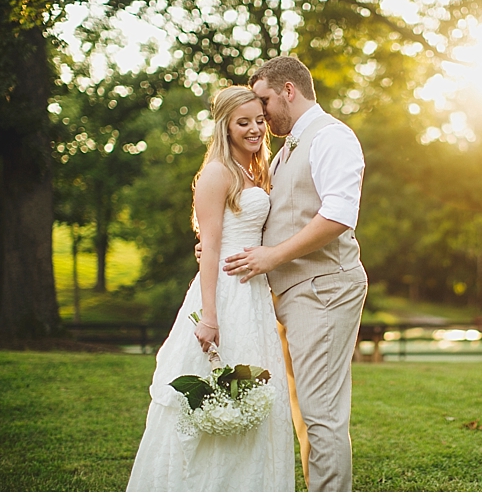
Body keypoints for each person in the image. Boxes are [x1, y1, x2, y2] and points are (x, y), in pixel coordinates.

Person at [199, 56, 368, 491]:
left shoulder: (331, 137)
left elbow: (337, 216)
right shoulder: (283, 151)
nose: (261, 113)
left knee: (321, 413)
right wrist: (221, 249)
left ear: (288, 91)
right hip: (287, 296)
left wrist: (270, 258)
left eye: (265, 100)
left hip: (324, 290)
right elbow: (271, 216)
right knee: (301, 412)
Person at [127, 86, 294, 492]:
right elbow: (212, 246)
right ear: (225, 126)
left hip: (254, 293)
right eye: (243, 123)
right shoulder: (217, 173)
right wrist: (210, 315)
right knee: (213, 392)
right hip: (223, 291)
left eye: (258, 120)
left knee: (255, 394)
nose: (255, 129)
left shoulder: (259, 169)